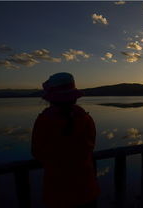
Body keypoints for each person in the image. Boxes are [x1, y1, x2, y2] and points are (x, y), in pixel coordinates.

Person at [31, 72, 100, 208]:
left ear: (51, 98)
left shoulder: (44, 121)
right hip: (87, 189)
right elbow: (90, 146)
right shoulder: (85, 119)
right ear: (73, 97)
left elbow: (37, 153)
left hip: (58, 193)